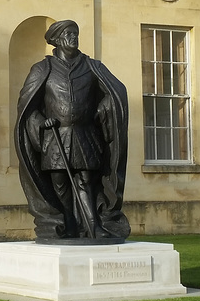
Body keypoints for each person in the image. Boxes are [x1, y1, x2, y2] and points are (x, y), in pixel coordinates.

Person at [14, 19, 132, 243]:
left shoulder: (91, 66)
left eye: (76, 33)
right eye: (68, 34)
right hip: (56, 138)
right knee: (59, 182)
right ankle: (68, 223)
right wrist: (41, 121)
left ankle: (95, 226)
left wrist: (102, 109)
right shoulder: (43, 69)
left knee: (85, 180)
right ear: (57, 40)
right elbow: (27, 106)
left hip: (84, 135)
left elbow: (115, 92)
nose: (73, 37)